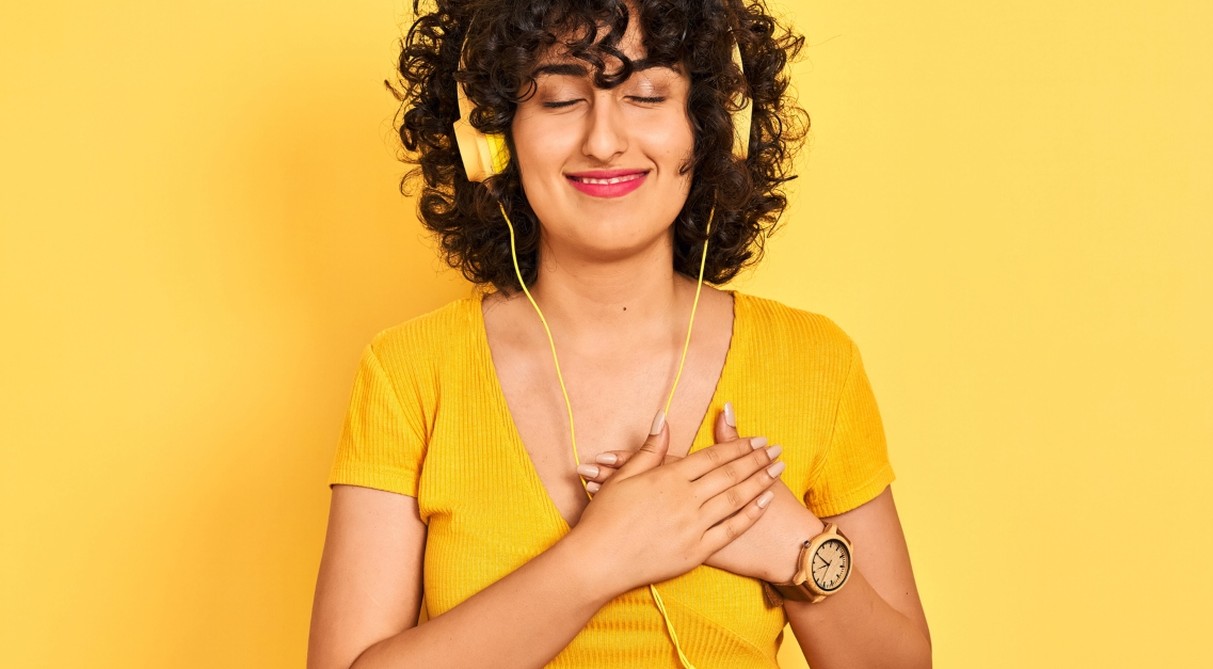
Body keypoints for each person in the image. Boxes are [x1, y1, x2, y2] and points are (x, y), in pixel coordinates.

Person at [308, 1, 930, 667]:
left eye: (646, 94)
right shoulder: (408, 371)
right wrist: (601, 557)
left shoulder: (813, 362)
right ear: (492, 138)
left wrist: (799, 552)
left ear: (713, 128)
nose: (603, 141)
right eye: (559, 99)